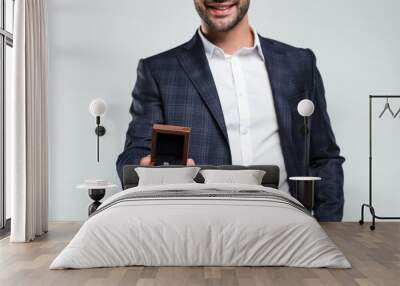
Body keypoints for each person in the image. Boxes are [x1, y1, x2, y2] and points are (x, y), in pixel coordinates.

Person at [116, 0, 345, 221]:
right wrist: (145, 169)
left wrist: (327, 226)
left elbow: (323, 157)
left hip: (289, 228)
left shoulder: (298, 63)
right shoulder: (159, 71)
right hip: (197, 230)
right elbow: (133, 155)